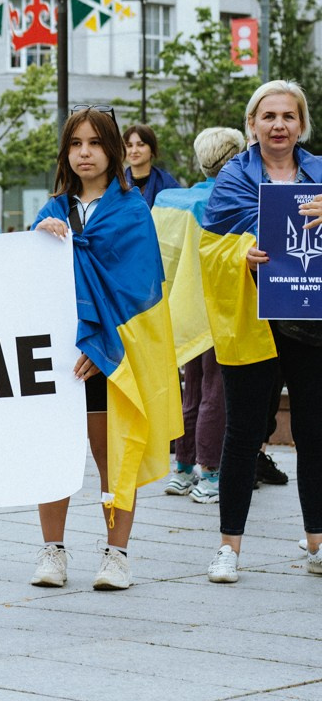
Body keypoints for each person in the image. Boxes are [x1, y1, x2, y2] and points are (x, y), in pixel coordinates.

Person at [31, 108, 181, 591]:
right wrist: (39, 240)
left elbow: (142, 294)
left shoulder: (133, 211)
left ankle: (117, 554)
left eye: (95, 143)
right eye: (76, 144)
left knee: (111, 455)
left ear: (113, 150)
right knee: (53, 454)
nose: (85, 153)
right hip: (58, 354)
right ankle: (52, 551)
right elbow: (27, 283)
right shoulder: (51, 211)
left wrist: (105, 349)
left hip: (112, 358)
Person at [199, 80, 322, 584]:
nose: (278, 125)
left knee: (315, 433)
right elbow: (210, 247)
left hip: (310, 324)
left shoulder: (321, 175)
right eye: (268, 116)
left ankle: (317, 542)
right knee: (244, 433)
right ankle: (228, 547)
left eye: (288, 116)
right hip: (250, 320)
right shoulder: (233, 177)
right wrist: (240, 254)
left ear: (302, 124)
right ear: (251, 123)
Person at [154, 127, 245, 504]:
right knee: (215, 393)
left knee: (191, 390)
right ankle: (210, 473)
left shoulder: (173, 200)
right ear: (234, 158)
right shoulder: (235, 200)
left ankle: (182, 468)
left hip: (182, 309)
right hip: (220, 311)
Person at [124, 122, 179, 206]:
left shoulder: (166, 183)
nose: (134, 151)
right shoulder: (116, 183)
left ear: (152, 150)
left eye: (141, 145)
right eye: (129, 145)